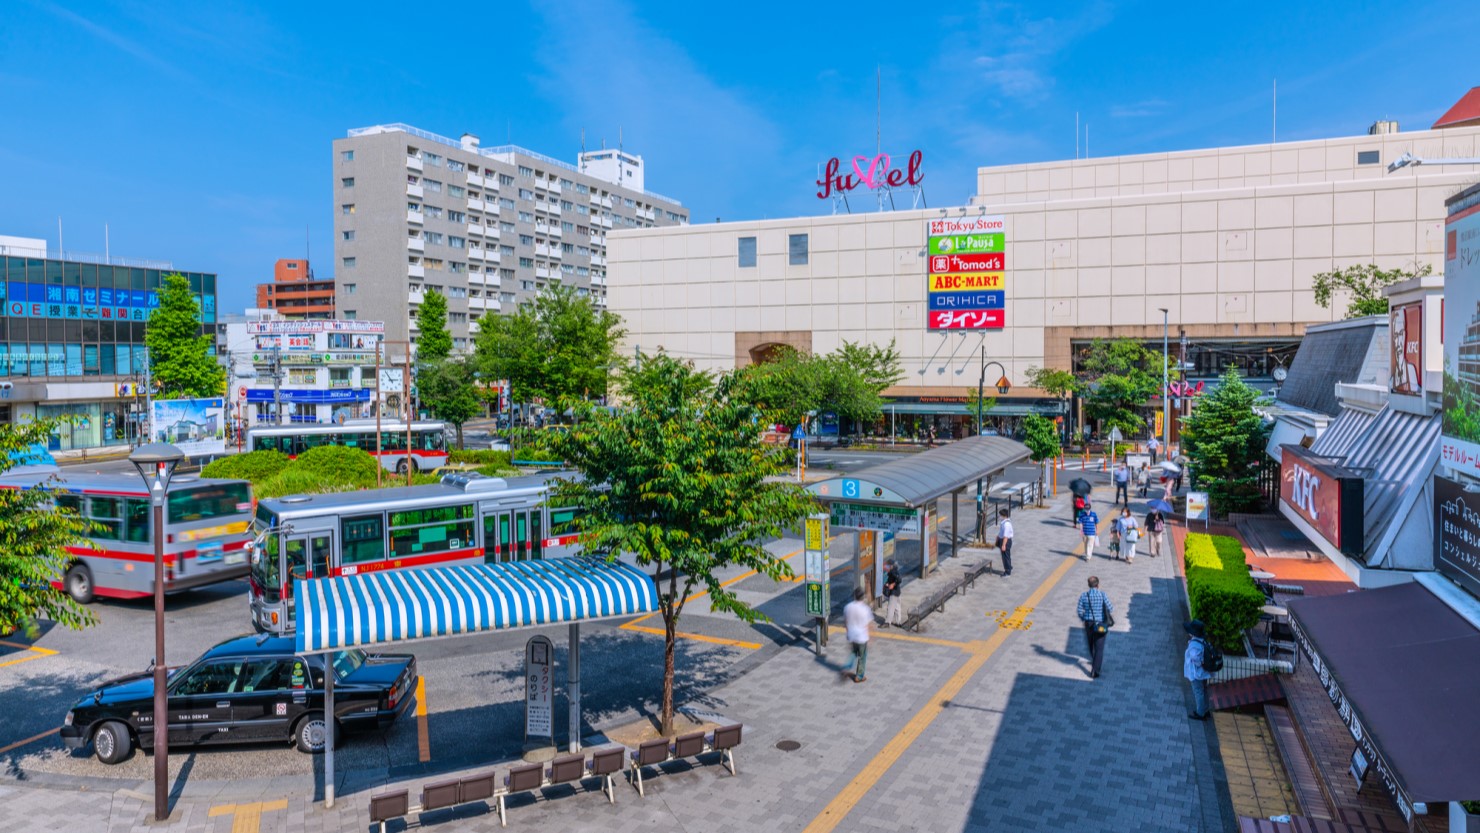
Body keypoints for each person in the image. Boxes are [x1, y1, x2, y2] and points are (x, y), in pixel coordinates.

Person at [1076, 576, 1113, 679]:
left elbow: (1079, 611)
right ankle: (1095, 671)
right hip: (1100, 624)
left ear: (1089, 585)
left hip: (1089, 624)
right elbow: (1110, 607)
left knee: (1091, 644)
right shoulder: (1102, 594)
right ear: (1098, 585)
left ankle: (1094, 659)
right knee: (1099, 648)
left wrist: (1084, 618)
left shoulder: (1084, 595)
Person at [1184, 620, 1213, 719]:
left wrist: (1198, 663)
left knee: (1198, 691)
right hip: (1204, 672)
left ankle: (1200, 713)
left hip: (1197, 673)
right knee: (1204, 690)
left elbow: (1195, 658)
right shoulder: (1202, 640)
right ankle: (1205, 710)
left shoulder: (1194, 644)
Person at [843, 587, 872, 683]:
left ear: (855, 596)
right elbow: (868, 625)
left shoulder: (848, 607)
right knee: (862, 656)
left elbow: (846, 622)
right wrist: (870, 637)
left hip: (852, 635)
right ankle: (859, 676)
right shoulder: (865, 609)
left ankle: (846, 667)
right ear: (862, 597)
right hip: (861, 637)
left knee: (853, 652)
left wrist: (848, 633)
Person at [881, 560, 902, 628]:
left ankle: (887, 622)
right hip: (897, 591)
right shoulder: (895, 571)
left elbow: (899, 579)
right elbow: (895, 579)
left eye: (888, 566)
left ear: (891, 566)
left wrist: (893, 584)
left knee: (890, 607)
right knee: (897, 607)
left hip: (894, 593)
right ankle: (898, 622)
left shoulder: (893, 572)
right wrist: (888, 583)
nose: (886, 567)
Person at [996, 508, 1015, 577]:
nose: (999, 516)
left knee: (1005, 556)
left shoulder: (1006, 524)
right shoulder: (1004, 523)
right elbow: (1002, 532)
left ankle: (1007, 571)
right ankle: (1009, 566)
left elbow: (1006, 536)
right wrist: (998, 536)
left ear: (1004, 516)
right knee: (1007, 555)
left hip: (1006, 542)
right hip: (1003, 540)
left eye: (1000, 515)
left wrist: (1003, 545)